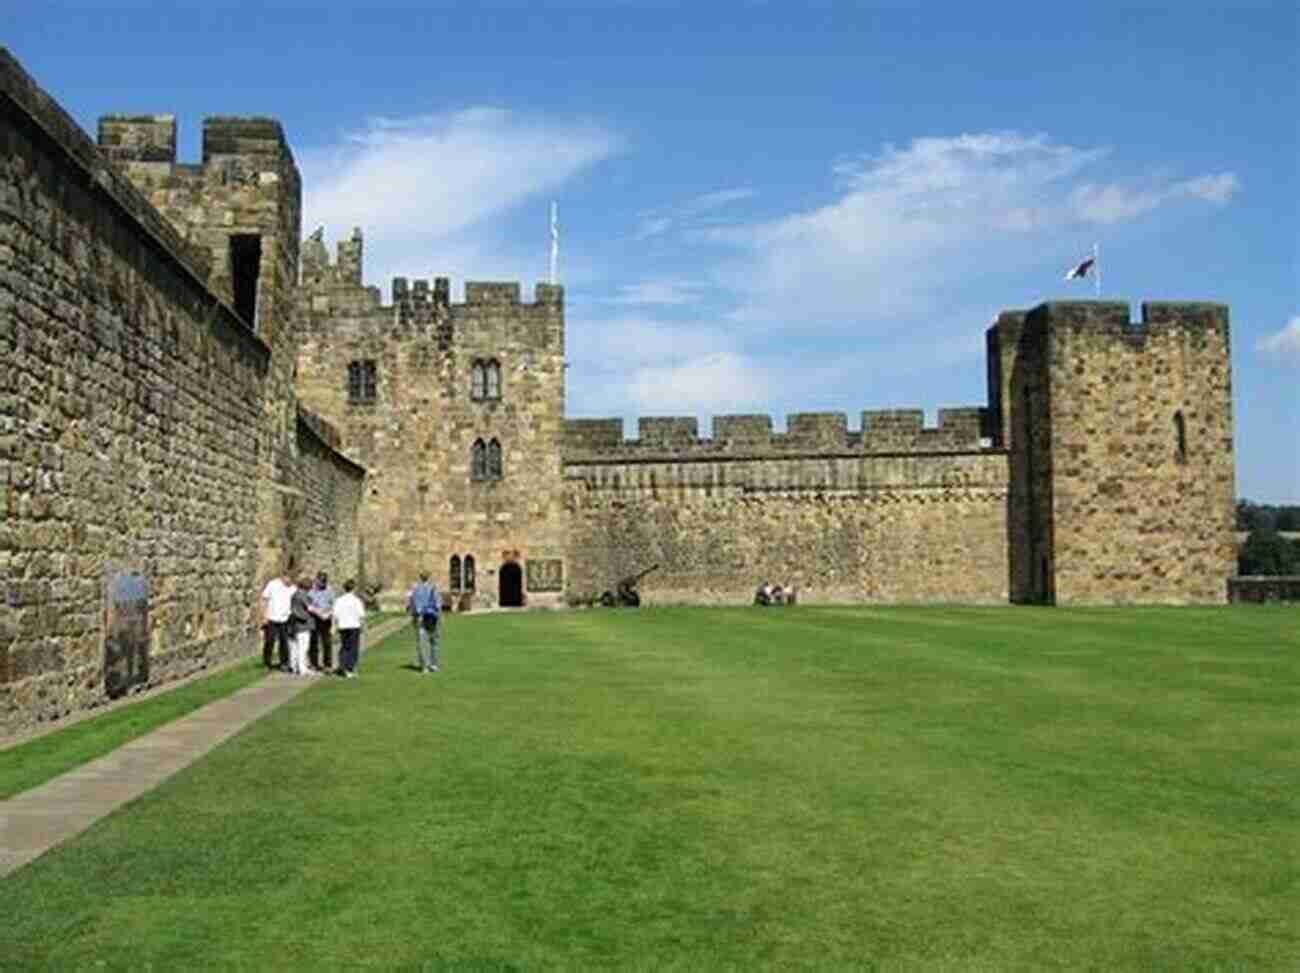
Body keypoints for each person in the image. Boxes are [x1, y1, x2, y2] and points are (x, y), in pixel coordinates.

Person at [260, 567, 295, 670]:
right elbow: (264, 599)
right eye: (288, 578)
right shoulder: (272, 585)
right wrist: (264, 616)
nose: (289, 581)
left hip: (285, 619)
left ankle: (284, 663)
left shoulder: (293, 588)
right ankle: (267, 662)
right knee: (270, 641)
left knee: (284, 642)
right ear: (283, 577)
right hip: (272, 617)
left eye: (291, 579)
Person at [407, 571, 442, 673]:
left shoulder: (416, 590)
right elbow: (438, 604)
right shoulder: (433, 588)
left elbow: (412, 604)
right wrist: (439, 616)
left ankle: (424, 666)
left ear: (420, 578)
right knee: (434, 642)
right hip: (432, 617)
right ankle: (434, 665)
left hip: (420, 618)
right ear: (429, 577)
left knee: (422, 643)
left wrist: (414, 616)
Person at [333, 578, 366, 679]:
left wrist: (333, 626)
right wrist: (363, 626)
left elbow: (335, 615)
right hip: (353, 626)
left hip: (343, 626)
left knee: (344, 647)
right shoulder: (356, 600)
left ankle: (343, 666)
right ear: (354, 588)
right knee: (353, 648)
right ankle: (349, 669)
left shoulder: (339, 600)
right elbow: (361, 615)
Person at [307, 572, 336, 673]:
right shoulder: (311, 591)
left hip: (326, 619)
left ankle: (327, 665)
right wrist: (316, 611)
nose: (323, 584)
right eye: (321, 581)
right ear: (317, 580)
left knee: (327, 643)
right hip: (314, 618)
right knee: (313, 642)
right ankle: (314, 663)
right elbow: (309, 605)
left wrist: (332, 621)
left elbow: (333, 605)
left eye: (324, 582)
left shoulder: (330, 590)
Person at [288, 575, 316, 676]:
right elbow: (310, 608)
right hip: (303, 625)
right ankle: (302, 668)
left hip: (296, 625)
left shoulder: (295, 595)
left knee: (296, 647)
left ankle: (295, 667)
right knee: (303, 647)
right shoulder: (302, 595)